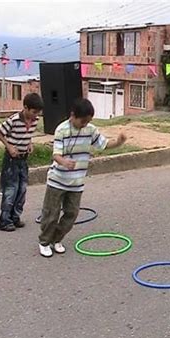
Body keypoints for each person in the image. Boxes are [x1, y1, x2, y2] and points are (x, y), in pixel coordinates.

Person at [38, 98, 126, 257]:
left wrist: (119, 142)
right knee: (51, 214)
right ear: (73, 115)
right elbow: (56, 154)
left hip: (77, 182)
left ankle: (56, 239)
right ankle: (44, 242)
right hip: (57, 180)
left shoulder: (90, 130)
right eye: (83, 121)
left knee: (72, 213)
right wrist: (64, 162)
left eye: (88, 121)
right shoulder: (61, 130)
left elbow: (104, 145)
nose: (85, 124)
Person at [0, 93, 44, 232]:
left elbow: (27, 135)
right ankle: (4, 220)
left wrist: (29, 143)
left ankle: (15, 217)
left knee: (22, 189)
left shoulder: (35, 121)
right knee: (11, 189)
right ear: (25, 108)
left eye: (38, 113)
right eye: (34, 112)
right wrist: (9, 146)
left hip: (23, 159)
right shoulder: (14, 120)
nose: (35, 115)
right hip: (11, 160)